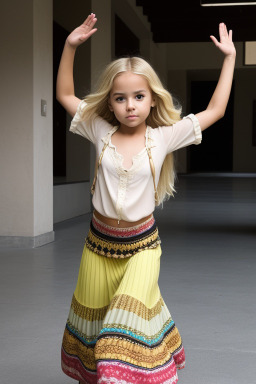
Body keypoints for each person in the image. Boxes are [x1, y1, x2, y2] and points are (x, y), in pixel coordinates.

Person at [57, 13, 236, 384]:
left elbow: (215, 111)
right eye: (120, 98)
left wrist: (230, 57)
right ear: (111, 102)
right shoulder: (99, 129)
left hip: (141, 248)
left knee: (118, 338)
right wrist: (70, 47)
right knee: (93, 332)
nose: (130, 105)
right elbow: (64, 95)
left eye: (139, 97)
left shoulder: (163, 137)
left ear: (152, 100)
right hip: (98, 246)